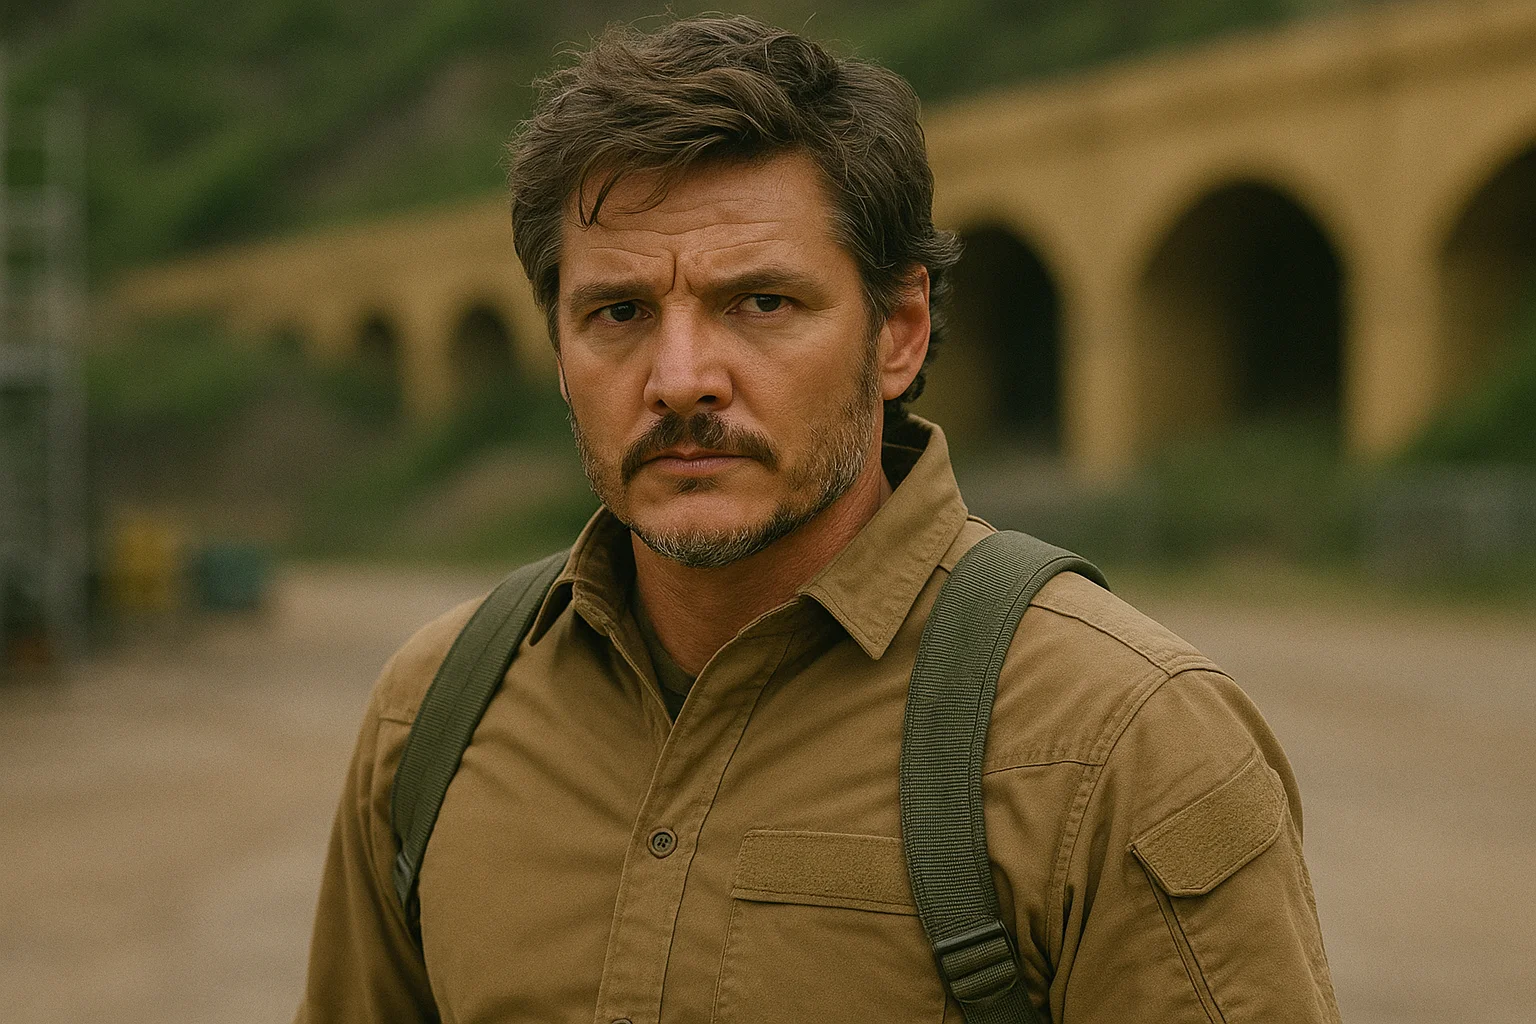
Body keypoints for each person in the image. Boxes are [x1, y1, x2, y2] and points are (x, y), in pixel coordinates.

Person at [294, 15, 1341, 1024]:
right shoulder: (435, 714)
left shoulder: (1122, 741)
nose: (682, 380)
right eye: (618, 313)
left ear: (899, 333)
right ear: (561, 354)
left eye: (762, 304)